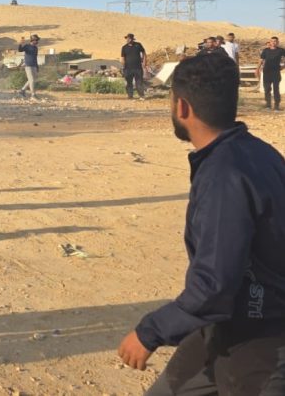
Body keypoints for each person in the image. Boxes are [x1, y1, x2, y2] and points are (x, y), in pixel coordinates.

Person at [117, 53, 285, 394]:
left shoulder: (224, 175)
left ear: (182, 107)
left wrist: (150, 332)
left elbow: (214, 285)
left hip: (262, 334)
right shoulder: (258, 152)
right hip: (223, 322)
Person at [258, 36, 285, 111]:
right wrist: (257, 68)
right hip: (267, 72)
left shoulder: (281, 50)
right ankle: (268, 105)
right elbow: (261, 60)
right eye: (272, 41)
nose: (273, 42)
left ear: (277, 42)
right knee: (267, 89)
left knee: (276, 89)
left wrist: (283, 66)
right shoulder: (266, 50)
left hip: (276, 72)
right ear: (270, 42)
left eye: (275, 41)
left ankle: (276, 106)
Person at [120, 33, 147, 100]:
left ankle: (141, 96)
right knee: (129, 82)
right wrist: (123, 66)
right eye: (127, 38)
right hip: (128, 68)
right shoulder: (124, 47)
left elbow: (143, 52)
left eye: (129, 38)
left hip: (138, 68)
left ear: (132, 39)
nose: (127, 39)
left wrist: (144, 61)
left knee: (139, 82)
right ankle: (130, 96)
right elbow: (122, 58)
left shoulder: (138, 45)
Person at [17, 34, 40, 98]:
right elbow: (20, 50)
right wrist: (20, 43)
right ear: (32, 40)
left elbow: (35, 57)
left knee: (32, 80)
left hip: (34, 66)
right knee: (31, 80)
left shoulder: (35, 48)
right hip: (28, 66)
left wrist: (37, 66)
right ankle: (33, 95)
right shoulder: (27, 46)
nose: (37, 41)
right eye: (36, 40)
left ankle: (22, 91)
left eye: (37, 40)